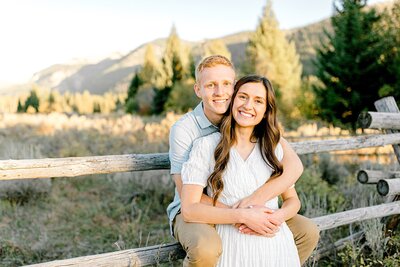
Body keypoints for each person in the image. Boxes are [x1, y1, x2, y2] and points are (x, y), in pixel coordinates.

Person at [167, 55, 319, 266]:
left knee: (307, 231)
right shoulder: (185, 130)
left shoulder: (252, 123)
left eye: (226, 84)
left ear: (234, 88)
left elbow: (294, 166)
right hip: (195, 207)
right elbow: (189, 198)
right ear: (198, 90)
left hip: (249, 207)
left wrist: (260, 207)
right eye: (211, 85)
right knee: (207, 248)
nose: (220, 92)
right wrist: (244, 215)